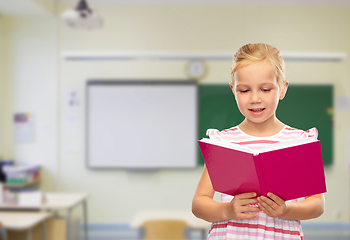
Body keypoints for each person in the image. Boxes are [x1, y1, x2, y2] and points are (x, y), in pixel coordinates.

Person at [192, 43, 325, 240]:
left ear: (282, 89)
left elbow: (317, 204)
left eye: (265, 89)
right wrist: (228, 210)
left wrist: (286, 210)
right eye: (244, 90)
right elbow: (199, 204)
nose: (255, 98)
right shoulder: (223, 141)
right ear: (233, 90)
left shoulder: (299, 141)